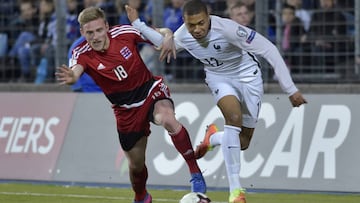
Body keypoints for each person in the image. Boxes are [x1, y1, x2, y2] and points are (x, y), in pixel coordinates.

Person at [125, 1, 307, 202]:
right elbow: (161, 42)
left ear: (208, 17)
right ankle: (236, 191)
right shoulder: (185, 34)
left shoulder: (228, 29)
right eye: (191, 24)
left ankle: (213, 139)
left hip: (248, 77)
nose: (197, 29)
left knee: (243, 142)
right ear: (184, 21)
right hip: (219, 78)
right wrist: (138, 24)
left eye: (201, 23)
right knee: (233, 118)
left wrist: (290, 89)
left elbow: (268, 49)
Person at [55, 6, 206, 203]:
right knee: (136, 166)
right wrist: (72, 78)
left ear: (107, 27)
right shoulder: (81, 52)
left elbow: (160, 32)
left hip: (149, 90)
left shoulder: (124, 32)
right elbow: (76, 70)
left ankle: (195, 173)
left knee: (167, 119)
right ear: (82, 32)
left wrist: (168, 34)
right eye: (90, 32)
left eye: (99, 30)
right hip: (125, 110)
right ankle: (141, 196)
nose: (96, 37)